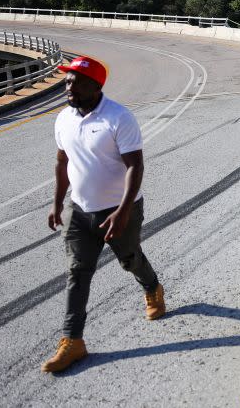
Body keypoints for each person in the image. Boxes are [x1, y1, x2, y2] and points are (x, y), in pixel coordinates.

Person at [42, 56, 165, 373]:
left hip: (119, 210)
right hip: (79, 210)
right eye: (67, 80)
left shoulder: (118, 118)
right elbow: (62, 163)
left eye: (76, 81)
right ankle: (73, 341)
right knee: (77, 271)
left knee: (130, 258)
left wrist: (123, 211)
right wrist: (57, 203)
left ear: (95, 85)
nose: (68, 86)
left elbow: (135, 165)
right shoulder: (63, 119)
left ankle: (151, 287)